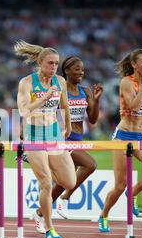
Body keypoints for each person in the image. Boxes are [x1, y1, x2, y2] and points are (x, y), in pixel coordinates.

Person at [15, 40, 76, 238]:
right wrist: (44, 97)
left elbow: (65, 105)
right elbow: (23, 110)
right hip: (34, 135)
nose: (53, 67)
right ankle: (49, 228)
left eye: (56, 63)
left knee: (69, 181)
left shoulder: (60, 81)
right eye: (49, 63)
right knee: (46, 184)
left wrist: (67, 125)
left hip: (54, 134)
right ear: (40, 63)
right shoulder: (27, 82)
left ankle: (39, 212)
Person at [98, 49, 142, 232]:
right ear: (134, 64)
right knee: (120, 185)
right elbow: (134, 107)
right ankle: (103, 215)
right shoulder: (126, 82)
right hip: (123, 137)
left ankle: (133, 193)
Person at [44, 56, 103, 219]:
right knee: (90, 165)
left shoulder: (86, 91)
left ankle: (40, 214)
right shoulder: (59, 90)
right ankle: (65, 198)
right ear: (67, 71)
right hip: (62, 139)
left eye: (82, 69)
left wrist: (97, 101)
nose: (81, 72)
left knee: (64, 181)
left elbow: (92, 119)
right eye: (77, 69)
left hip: (78, 140)